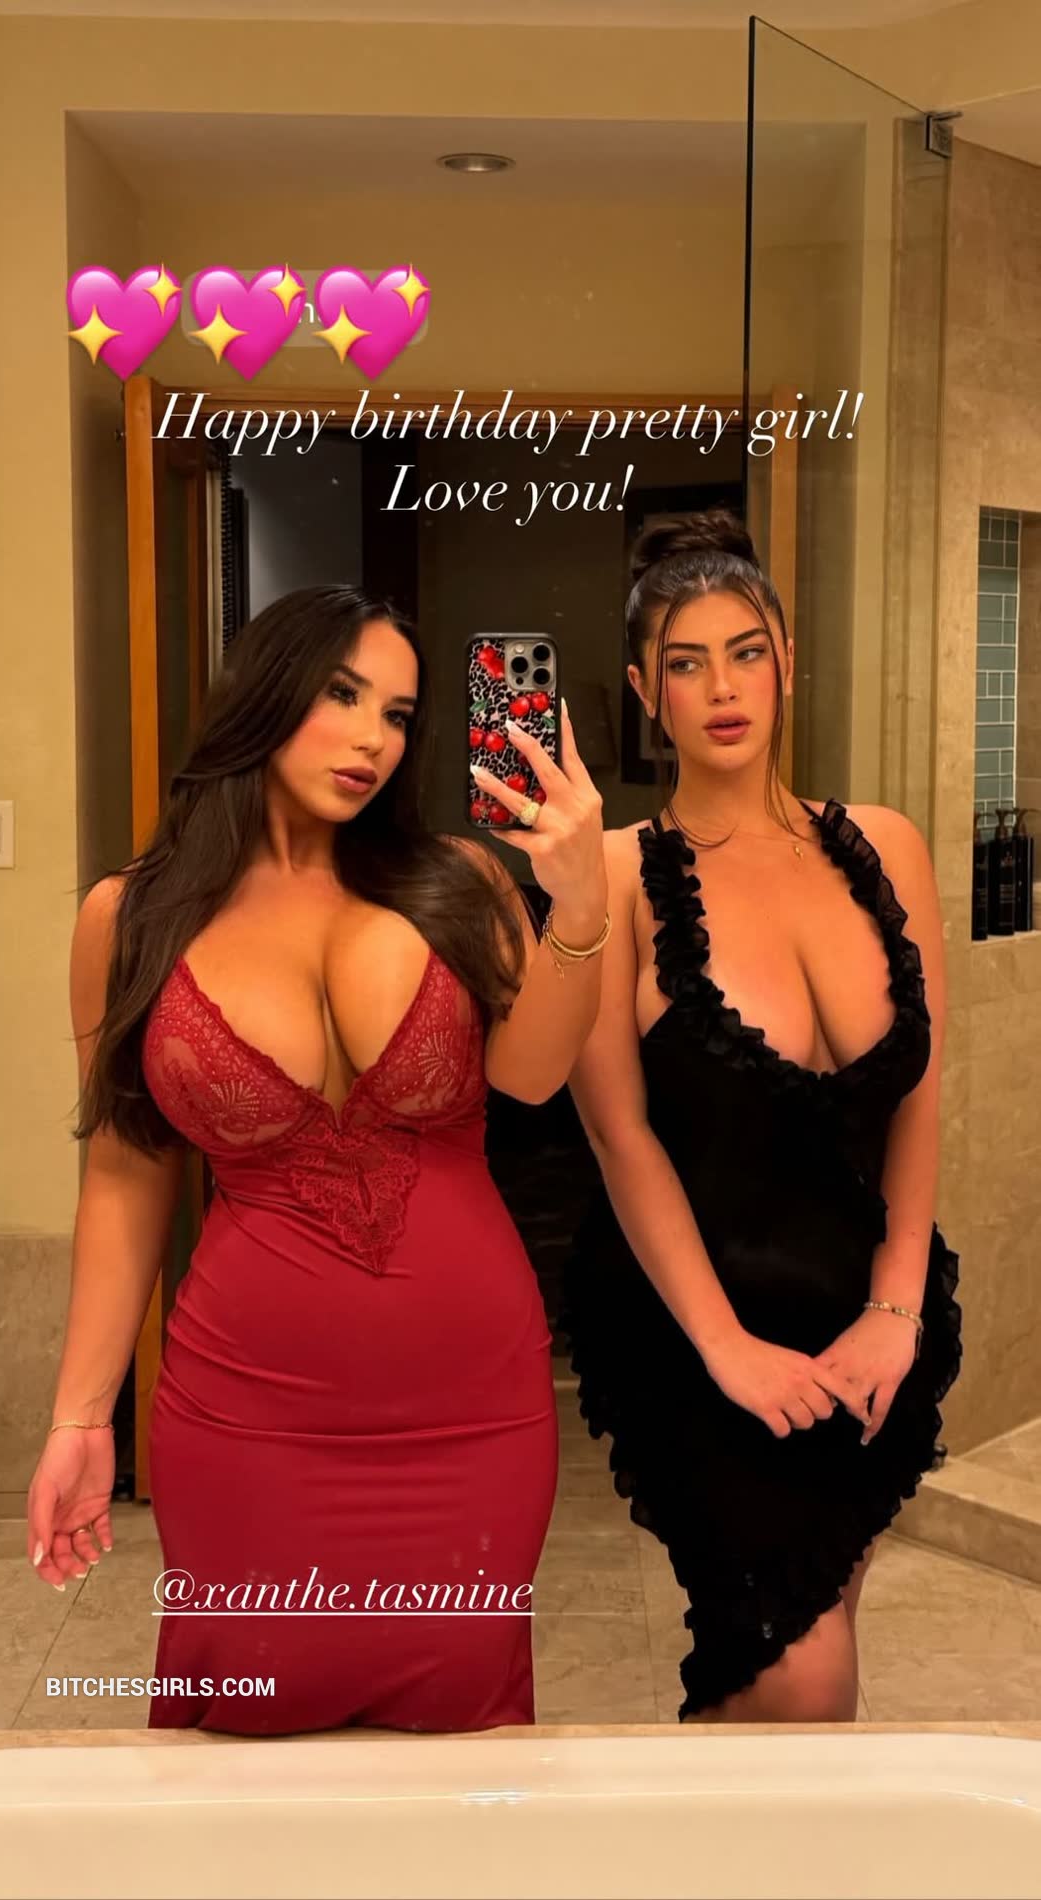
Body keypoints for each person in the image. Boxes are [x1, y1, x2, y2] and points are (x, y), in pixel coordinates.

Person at [26, 585, 609, 1734]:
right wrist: (79, 1417)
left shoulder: (459, 883)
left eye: (396, 713)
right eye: (342, 694)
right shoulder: (130, 918)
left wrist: (579, 902)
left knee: (456, 1744)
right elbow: (127, 1174)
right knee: (247, 1745)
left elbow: (534, 1076)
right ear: (265, 690)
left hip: (474, 1415)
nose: (370, 738)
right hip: (245, 1418)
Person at [561, 510, 961, 1724]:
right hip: (693, 1328)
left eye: (744, 652)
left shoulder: (885, 845)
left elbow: (920, 1091)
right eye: (685, 664)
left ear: (787, 659)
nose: (723, 688)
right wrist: (724, 1345)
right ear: (647, 693)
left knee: (801, 1646)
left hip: (869, 1321)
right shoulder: (615, 873)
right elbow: (618, 1135)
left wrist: (896, 1305)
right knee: (803, 1676)